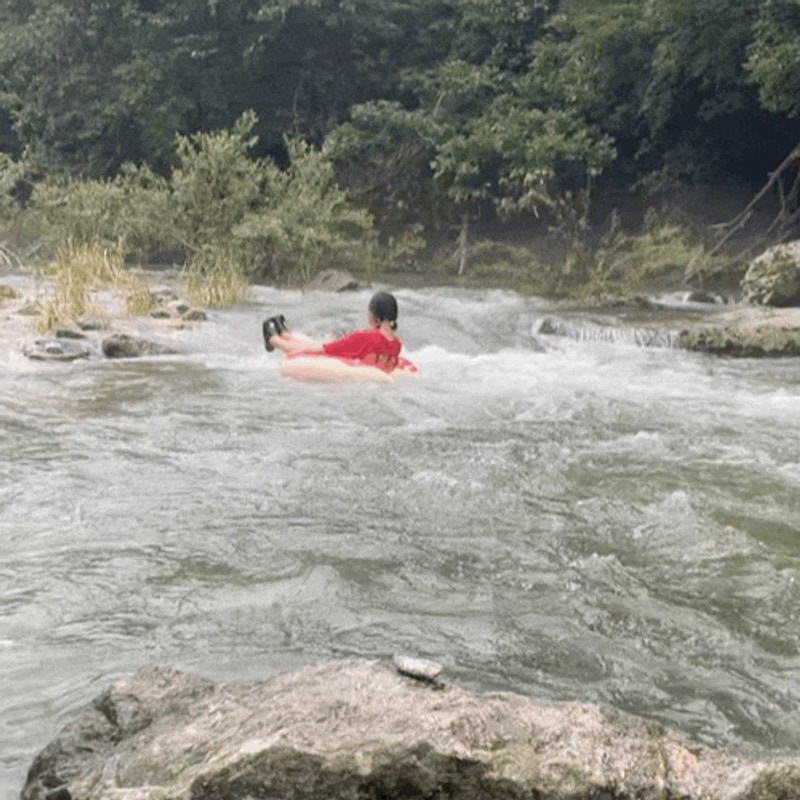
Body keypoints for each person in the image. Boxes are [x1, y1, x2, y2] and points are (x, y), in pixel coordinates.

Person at [262, 291, 404, 374]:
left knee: (315, 347)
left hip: (352, 358)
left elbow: (323, 349)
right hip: (359, 358)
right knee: (317, 344)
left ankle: (273, 339)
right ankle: (285, 335)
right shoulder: (397, 344)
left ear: (373, 317)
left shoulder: (366, 337)